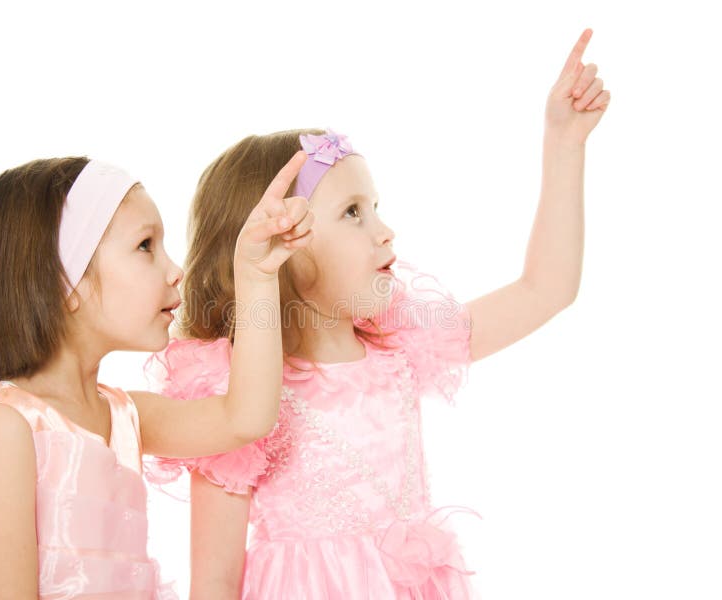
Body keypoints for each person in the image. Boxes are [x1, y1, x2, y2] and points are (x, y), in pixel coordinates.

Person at [145, 28, 609, 599]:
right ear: (282, 245)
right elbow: (214, 581)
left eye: (375, 208)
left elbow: (546, 289)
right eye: (353, 213)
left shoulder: (403, 346)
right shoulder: (237, 396)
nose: (384, 231)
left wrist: (564, 143)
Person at [0, 151, 313, 598]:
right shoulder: (6, 427)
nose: (176, 271)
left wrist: (256, 273)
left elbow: (245, 418)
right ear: (66, 281)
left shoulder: (125, 416)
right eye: (145, 246)